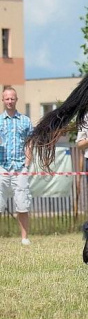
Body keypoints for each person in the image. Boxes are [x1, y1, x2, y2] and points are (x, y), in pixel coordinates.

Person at [0, 86, 33, 245]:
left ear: (16, 100)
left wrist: (27, 163)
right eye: (7, 98)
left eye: (12, 98)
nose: (10, 101)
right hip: (2, 167)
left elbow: (30, 143)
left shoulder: (25, 120)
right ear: (3, 100)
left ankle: (24, 238)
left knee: (22, 204)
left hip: (20, 167)